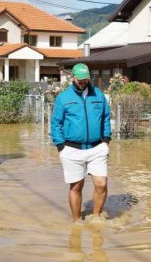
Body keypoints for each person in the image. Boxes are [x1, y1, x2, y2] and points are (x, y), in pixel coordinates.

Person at [51, 63, 111, 222]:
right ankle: (77, 221)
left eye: (86, 79)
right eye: (80, 79)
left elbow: (105, 117)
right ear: (73, 78)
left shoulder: (98, 95)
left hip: (97, 147)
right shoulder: (63, 98)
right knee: (76, 186)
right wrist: (60, 146)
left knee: (101, 184)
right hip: (71, 149)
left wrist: (106, 140)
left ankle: (96, 217)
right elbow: (56, 123)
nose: (83, 82)